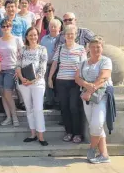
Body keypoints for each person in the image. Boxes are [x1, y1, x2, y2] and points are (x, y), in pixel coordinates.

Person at [75, 36, 112, 164]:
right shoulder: (84, 62)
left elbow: (104, 77)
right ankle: (104, 155)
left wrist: (90, 90)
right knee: (94, 125)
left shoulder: (106, 61)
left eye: (98, 47)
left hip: (101, 96)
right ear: (89, 48)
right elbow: (77, 78)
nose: (96, 49)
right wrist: (86, 86)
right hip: (87, 97)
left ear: (102, 48)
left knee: (97, 124)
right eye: (93, 47)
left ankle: (91, 148)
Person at [48, 24, 87, 144]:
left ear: (75, 35)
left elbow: (84, 66)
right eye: (67, 34)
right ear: (64, 35)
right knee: (64, 108)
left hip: (75, 82)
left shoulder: (80, 49)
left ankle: (78, 133)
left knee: (74, 107)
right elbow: (54, 63)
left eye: (72, 34)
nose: (69, 36)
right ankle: (69, 132)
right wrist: (50, 78)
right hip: (61, 81)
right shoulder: (60, 48)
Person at [16, 27, 49, 146]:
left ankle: (41, 135)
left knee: (38, 109)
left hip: (37, 83)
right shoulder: (22, 49)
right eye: (30, 35)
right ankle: (33, 134)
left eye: (35, 35)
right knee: (29, 108)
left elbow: (43, 68)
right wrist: (21, 78)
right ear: (26, 37)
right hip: (24, 83)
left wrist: (32, 80)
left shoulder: (42, 49)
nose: (33, 37)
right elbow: (18, 65)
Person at [0, 19, 24, 126]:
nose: (6, 28)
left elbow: (21, 56)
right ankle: (8, 117)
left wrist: (18, 69)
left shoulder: (17, 40)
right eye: (3, 26)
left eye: (8, 26)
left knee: (8, 93)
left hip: (11, 69)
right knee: (3, 94)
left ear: (11, 27)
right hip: (0, 70)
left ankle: (15, 116)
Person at [40, 19, 62, 108]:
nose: (52, 28)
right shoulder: (44, 38)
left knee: (57, 83)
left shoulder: (62, 38)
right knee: (47, 82)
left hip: (59, 64)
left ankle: (57, 102)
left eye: (55, 26)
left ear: (59, 28)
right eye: (51, 26)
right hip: (46, 64)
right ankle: (49, 101)